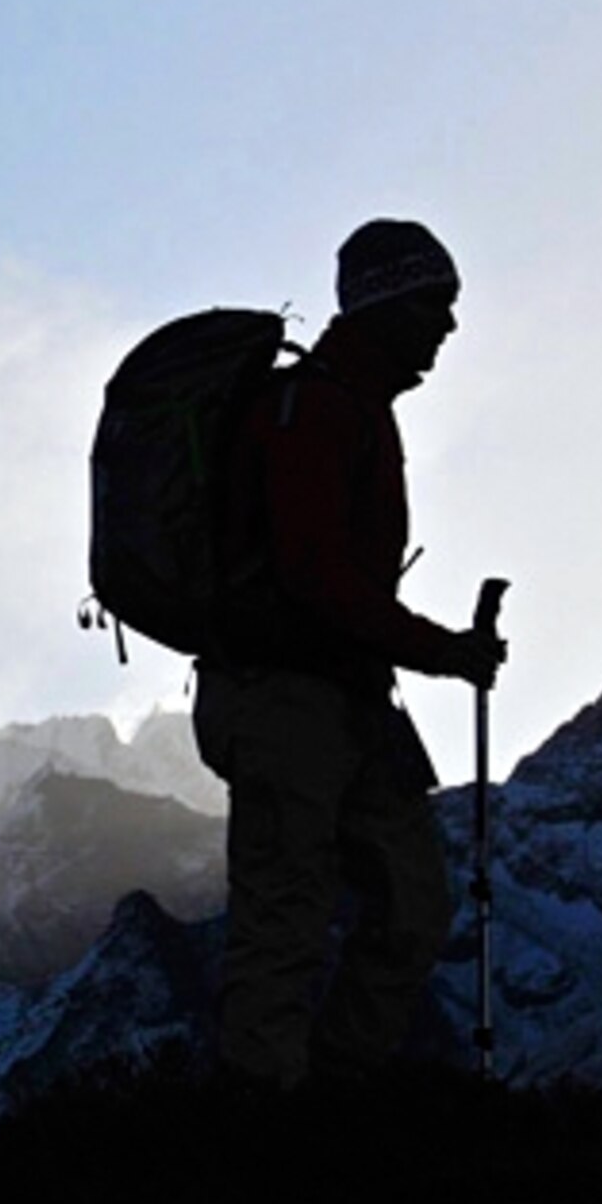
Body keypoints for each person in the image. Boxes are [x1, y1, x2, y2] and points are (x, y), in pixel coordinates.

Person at [195, 222, 506, 1089]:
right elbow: (314, 576)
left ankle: (327, 1108)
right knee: (285, 921)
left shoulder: (351, 407)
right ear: (386, 303)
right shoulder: (315, 410)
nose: (447, 328)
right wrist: (444, 651)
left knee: (413, 905)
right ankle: (264, 1153)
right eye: (435, 306)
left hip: (344, 699)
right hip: (282, 698)